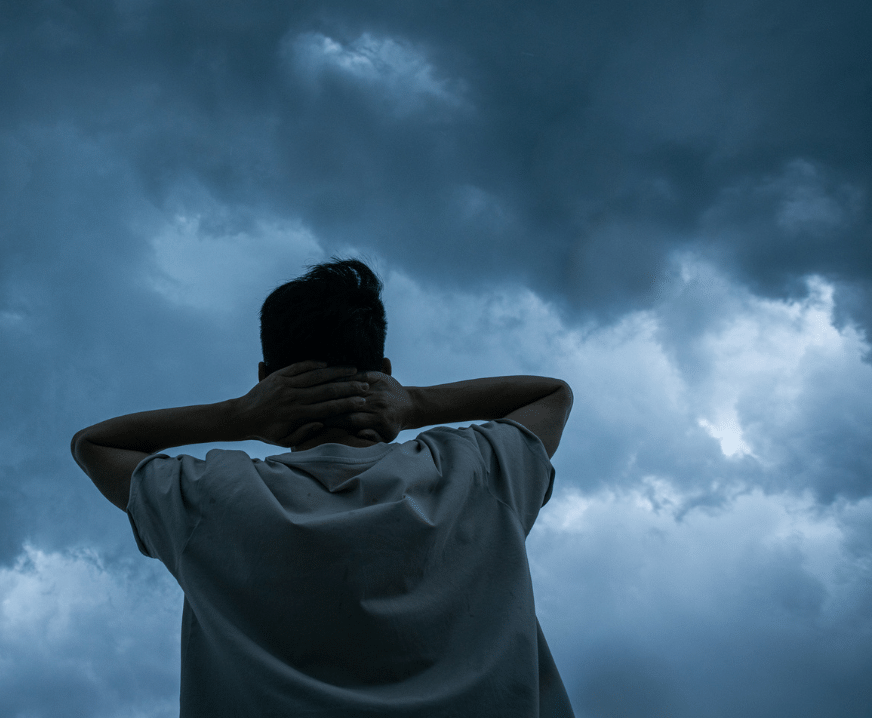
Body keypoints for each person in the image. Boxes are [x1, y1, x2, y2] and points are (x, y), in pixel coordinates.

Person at [71, 259, 575, 717]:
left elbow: (94, 443)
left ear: (266, 378)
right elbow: (552, 394)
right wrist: (415, 404)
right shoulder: (477, 469)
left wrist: (239, 414)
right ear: (385, 372)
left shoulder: (210, 496)